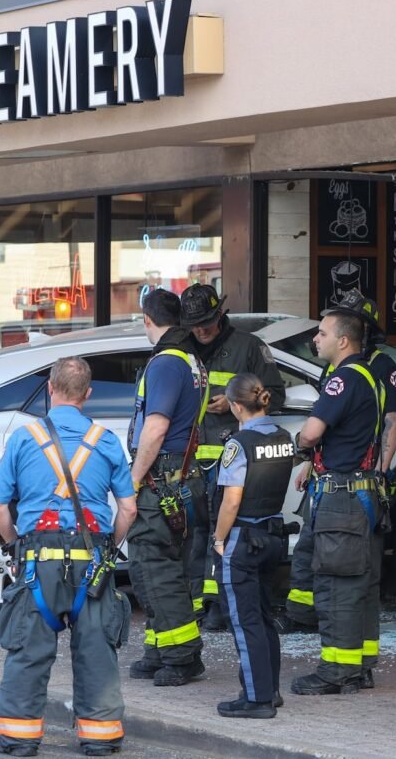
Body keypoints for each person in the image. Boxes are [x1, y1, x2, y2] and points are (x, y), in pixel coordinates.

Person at [0, 357, 136, 758]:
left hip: (38, 563)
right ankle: (100, 738)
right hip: (93, 566)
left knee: (28, 651)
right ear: (88, 395)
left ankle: (20, 737)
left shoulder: (24, 437)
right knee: (96, 653)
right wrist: (109, 549)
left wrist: (15, 548)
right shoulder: (106, 440)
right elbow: (128, 510)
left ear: (50, 390)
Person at [280, 289, 396, 691]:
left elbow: (313, 432)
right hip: (363, 494)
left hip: (342, 497)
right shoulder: (368, 376)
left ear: (344, 340)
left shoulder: (344, 379)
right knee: (362, 583)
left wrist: (301, 444)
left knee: (337, 586)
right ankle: (361, 665)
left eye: (321, 333)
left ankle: (337, 672)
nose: (315, 339)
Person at [179, 283, 286, 633]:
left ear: (220, 314)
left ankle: (218, 607)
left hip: (233, 457)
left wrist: (235, 404)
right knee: (194, 535)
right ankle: (197, 604)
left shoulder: (250, 347)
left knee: (222, 532)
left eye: (208, 321)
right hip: (189, 459)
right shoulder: (180, 350)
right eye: (195, 324)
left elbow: (277, 395)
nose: (202, 330)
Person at [126, 289, 209, 687]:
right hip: (184, 479)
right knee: (166, 567)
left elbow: (155, 427)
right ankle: (159, 650)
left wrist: (134, 478)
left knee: (153, 567)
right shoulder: (192, 359)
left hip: (163, 480)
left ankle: (182, 657)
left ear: (147, 319)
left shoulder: (165, 363)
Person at [211, 373, 293, 719]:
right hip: (273, 537)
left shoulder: (239, 445)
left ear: (234, 406)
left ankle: (257, 699)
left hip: (243, 539)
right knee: (262, 616)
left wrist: (218, 538)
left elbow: (232, 500)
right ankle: (269, 691)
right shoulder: (284, 437)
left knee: (245, 622)